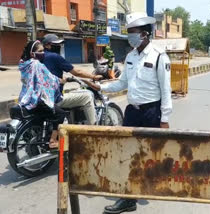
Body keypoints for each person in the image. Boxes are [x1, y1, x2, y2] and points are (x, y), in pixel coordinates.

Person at [83, 12, 173, 214]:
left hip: (152, 112)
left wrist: (165, 118)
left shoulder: (159, 56)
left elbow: (166, 90)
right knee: (128, 153)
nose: (130, 37)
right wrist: (101, 88)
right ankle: (128, 198)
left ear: (145, 34)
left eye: (133, 33)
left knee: (150, 153)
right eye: (129, 33)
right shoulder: (130, 57)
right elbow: (123, 83)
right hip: (132, 112)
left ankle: (147, 185)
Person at [41, 34, 102, 125]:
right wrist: (93, 77)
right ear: (46, 45)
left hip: (39, 98)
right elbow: (76, 72)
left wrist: (62, 79)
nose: (58, 47)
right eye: (55, 44)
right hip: (53, 99)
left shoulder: (37, 57)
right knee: (88, 95)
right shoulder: (55, 57)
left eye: (59, 45)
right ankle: (94, 129)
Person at [19, 40, 65, 148]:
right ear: (32, 53)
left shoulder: (23, 64)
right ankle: (53, 140)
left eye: (43, 50)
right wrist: (61, 80)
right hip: (38, 99)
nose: (43, 53)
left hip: (26, 98)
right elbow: (50, 78)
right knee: (61, 114)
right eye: (40, 51)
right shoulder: (37, 64)